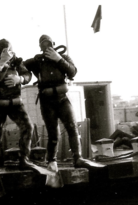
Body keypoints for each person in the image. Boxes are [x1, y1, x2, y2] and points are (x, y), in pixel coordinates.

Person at [23, 35, 104, 180]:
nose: (47, 47)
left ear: (54, 44)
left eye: (49, 44)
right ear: (40, 48)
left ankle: (77, 158)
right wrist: (21, 76)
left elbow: (73, 71)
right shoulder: (38, 61)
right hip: (47, 101)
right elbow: (22, 66)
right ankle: (52, 161)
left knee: (72, 127)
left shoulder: (63, 57)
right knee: (53, 133)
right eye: (43, 45)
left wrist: (58, 59)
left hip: (62, 98)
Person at [0, 39, 42, 179]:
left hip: (15, 102)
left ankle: (24, 159)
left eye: (9, 50)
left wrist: (20, 79)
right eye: (4, 50)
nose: (7, 52)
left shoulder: (16, 61)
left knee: (28, 126)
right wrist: (1, 62)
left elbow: (28, 75)